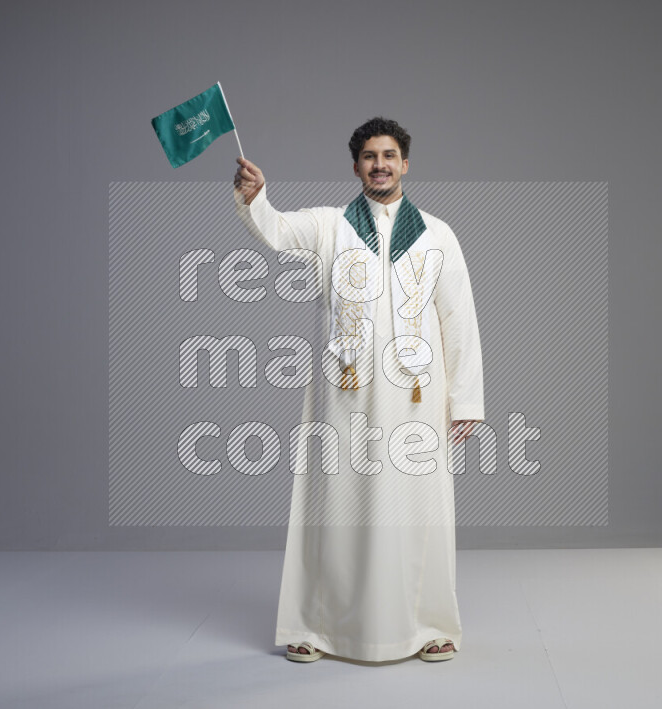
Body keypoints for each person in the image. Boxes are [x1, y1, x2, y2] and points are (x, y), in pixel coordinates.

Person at [232, 117, 484, 663]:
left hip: (416, 398)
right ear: (355, 167)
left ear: (406, 164)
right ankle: (316, 627)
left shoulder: (438, 235)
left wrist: (465, 401)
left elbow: (458, 319)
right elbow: (276, 230)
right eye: (370, 156)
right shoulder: (330, 227)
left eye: (389, 155)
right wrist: (257, 199)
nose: (380, 164)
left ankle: (428, 626)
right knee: (335, 507)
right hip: (344, 396)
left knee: (420, 511)